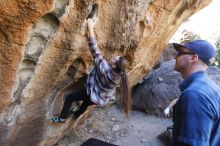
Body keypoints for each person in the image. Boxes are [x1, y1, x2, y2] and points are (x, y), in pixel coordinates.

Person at [51, 18, 131, 123]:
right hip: (101, 97)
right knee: (86, 103)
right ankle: (77, 115)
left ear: (115, 66)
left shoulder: (105, 69)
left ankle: (62, 118)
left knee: (69, 98)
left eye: (115, 58)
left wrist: (90, 26)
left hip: (93, 92)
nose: (114, 56)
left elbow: (94, 49)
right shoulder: (120, 74)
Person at [171, 40, 220, 146]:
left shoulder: (195, 95)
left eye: (180, 53)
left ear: (193, 58)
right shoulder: (209, 87)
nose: (175, 57)